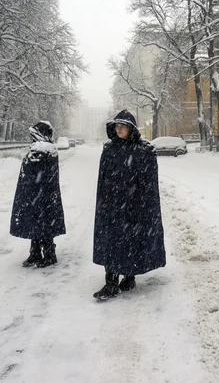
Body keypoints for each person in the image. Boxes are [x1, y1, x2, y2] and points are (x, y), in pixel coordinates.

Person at [92, 109, 166, 299]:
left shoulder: (143, 151)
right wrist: (105, 203)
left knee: (131, 243)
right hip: (113, 206)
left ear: (131, 129)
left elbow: (149, 184)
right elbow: (103, 179)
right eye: (117, 126)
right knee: (112, 243)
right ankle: (111, 283)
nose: (119, 130)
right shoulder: (109, 149)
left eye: (123, 126)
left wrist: (142, 205)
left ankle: (129, 277)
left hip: (133, 207)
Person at [10, 120, 65, 268]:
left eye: (34, 135)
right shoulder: (48, 149)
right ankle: (39, 253)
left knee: (40, 223)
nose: (32, 138)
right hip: (43, 194)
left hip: (38, 194)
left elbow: (32, 171)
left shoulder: (42, 149)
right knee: (40, 223)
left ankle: (46, 254)